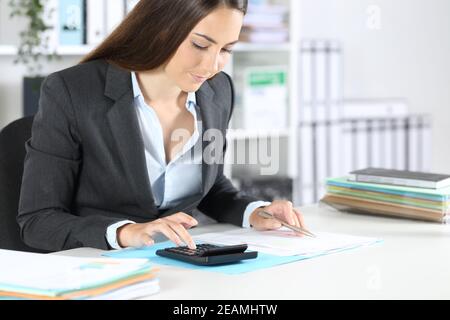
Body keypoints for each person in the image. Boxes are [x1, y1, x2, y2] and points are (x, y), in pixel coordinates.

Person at [17, 0, 307, 252]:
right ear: (161, 27)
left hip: (178, 264)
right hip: (98, 264)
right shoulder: (71, 91)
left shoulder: (218, 92)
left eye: (226, 49)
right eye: (200, 45)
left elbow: (211, 187)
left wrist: (255, 212)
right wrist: (125, 233)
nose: (212, 66)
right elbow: (39, 220)